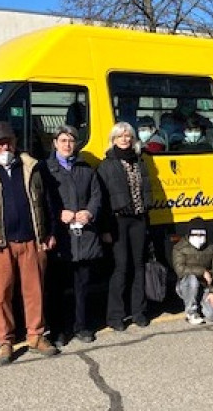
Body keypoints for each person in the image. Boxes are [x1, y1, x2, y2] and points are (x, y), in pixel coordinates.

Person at [0, 121, 58, 365]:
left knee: (34, 293)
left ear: (15, 140)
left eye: (8, 140)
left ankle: (36, 336)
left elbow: (47, 201)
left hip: (32, 240)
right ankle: (5, 341)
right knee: (1, 295)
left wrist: (49, 231)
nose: (4, 146)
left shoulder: (32, 167)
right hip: (0, 244)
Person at [45, 125, 103, 344]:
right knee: (57, 288)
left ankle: (82, 326)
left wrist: (89, 212)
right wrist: (59, 213)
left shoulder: (86, 168)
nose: (67, 145)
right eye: (63, 140)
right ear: (55, 143)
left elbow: (97, 196)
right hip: (60, 238)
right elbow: (41, 199)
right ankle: (58, 330)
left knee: (83, 287)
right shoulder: (46, 168)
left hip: (84, 236)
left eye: (71, 141)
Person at [97, 121, 153, 331]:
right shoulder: (107, 164)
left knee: (139, 266)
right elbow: (101, 199)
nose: (124, 139)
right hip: (117, 221)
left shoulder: (140, 161)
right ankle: (115, 316)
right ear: (113, 139)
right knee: (120, 268)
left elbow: (146, 188)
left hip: (139, 219)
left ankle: (138, 312)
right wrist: (104, 228)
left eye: (128, 136)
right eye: (120, 136)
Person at [172, 217, 213, 325]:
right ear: (189, 234)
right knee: (191, 278)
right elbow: (180, 270)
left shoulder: (211, 248)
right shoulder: (179, 248)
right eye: (195, 234)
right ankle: (191, 312)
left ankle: (201, 304)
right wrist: (202, 271)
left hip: (205, 287)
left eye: (202, 234)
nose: (199, 237)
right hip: (186, 286)